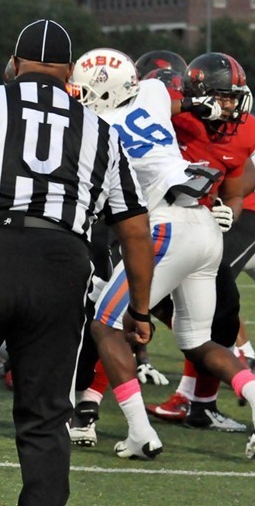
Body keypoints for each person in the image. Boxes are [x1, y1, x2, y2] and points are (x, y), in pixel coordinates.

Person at [0, 19, 154, 504]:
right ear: (69, 71)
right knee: (45, 416)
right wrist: (140, 311)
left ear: (14, 64)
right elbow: (135, 230)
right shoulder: (99, 129)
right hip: (61, 262)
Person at [68, 48, 255, 460]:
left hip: (163, 228)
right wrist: (196, 104)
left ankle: (139, 431)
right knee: (198, 340)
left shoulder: (93, 127)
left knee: (104, 325)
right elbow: (177, 104)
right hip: (205, 226)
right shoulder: (153, 94)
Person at [143, 52, 255, 441]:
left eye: (234, 97)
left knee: (222, 311)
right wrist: (190, 104)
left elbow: (238, 183)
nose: (230, 106)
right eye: (223, 96)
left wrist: (230, 210)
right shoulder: (174, 115)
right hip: (145, 221)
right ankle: (83, 402)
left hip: (203, 226)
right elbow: (143, 109)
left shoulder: (244, 128)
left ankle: (202, 401)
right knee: (120, 313)